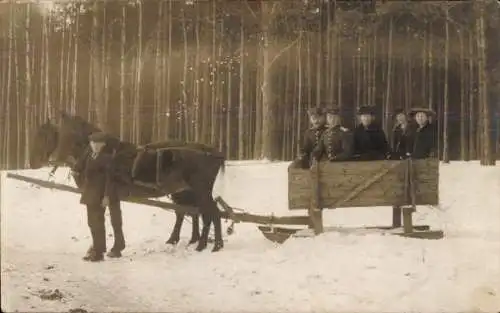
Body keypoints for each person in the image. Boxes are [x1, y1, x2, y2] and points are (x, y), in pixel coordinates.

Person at [72, 132, 125, 262]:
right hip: (90, 194)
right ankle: (96, 248)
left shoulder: (107, 159)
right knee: (91, 223)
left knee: (98, 223)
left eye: (98, 144)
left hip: (100, 195)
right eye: (93, 143)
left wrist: (106, 196)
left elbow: (109, 179)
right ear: (90, 144)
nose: (95, 146)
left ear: (103, 145)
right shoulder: (90, 156)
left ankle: (99, 252)